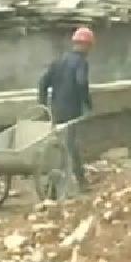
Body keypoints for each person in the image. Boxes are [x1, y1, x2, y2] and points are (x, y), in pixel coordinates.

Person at [38, 27, 94, 192]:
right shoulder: (81, 63)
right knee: (67, 147)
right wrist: (88, 104)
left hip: (56, 110)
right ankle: (53, 186)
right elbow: (81, 83)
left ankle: (80, 180)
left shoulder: (59, 60)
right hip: (71, 111)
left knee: (65, 146)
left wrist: (42, 104)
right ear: (87, 45)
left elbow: (43, 83)